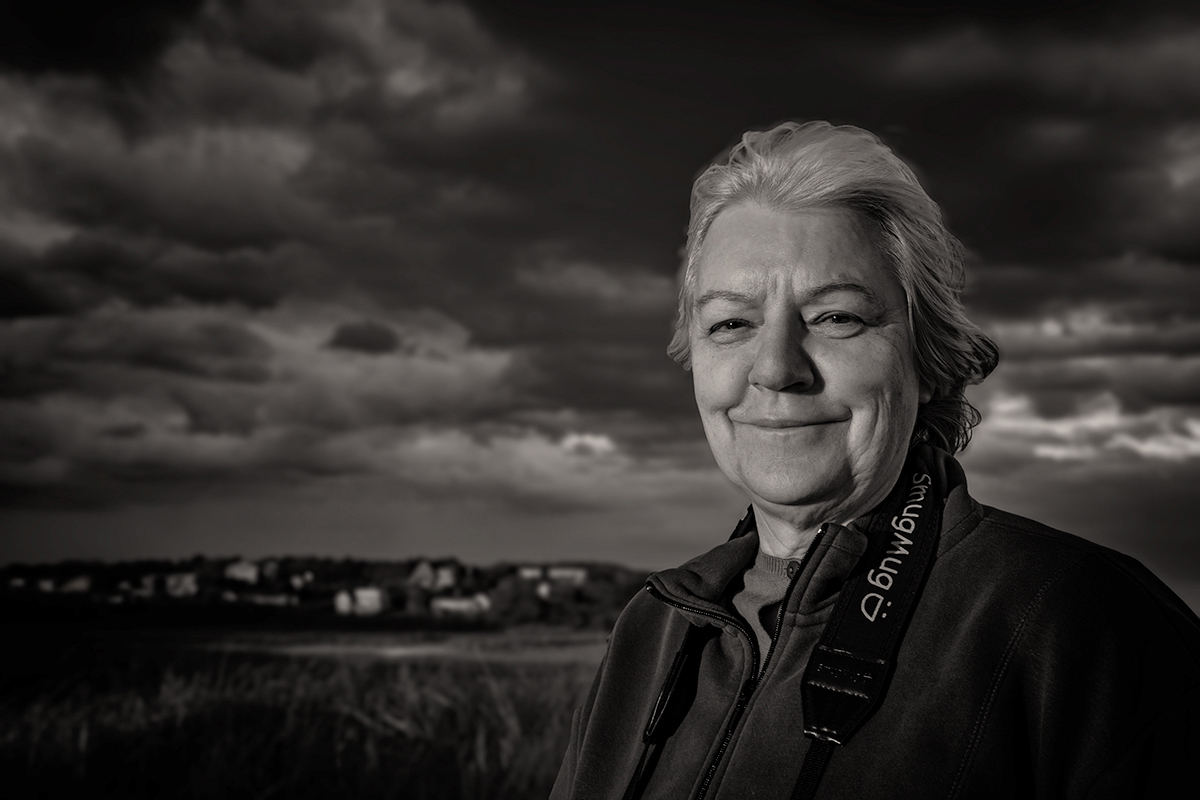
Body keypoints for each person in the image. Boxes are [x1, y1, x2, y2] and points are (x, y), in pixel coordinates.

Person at [550, 121, 1200, 800]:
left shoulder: (1081, 627)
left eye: (836, 318)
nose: (774, 369)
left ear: (930, 359)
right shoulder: (654, 632)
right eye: (731, 324)